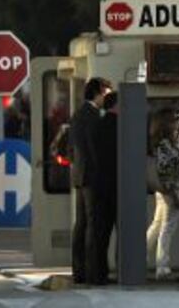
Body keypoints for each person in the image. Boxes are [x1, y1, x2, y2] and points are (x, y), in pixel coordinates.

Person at [70, 77, 112, 285]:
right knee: (94, 225)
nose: (108, 97)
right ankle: (93, 273)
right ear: (98, 92)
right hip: (93, 177)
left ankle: (79, 271)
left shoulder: (78, 114)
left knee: (82, 224)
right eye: (106, 93)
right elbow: (95, 149)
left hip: (80, 175)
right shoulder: (93, 116)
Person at [146, 108, 179, 280]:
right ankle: (162, 267)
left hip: (164, 189)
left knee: (157, 225)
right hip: (171, 188)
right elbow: (165, 169)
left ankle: (141, 256)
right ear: (167, 124)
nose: (177, 122)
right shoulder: (165, 144)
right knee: (167, 228)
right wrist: (174, 193)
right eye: (174, 120)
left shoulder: (167, 140)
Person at [95, 91, 119, 284]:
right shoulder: (123, 126)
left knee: (102, 232)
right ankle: (123, 270)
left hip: (101, 186)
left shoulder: (99, 124)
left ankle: (99, 272)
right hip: (120, 186)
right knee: (124, 231)